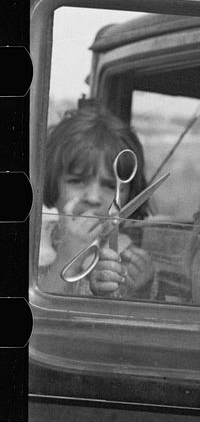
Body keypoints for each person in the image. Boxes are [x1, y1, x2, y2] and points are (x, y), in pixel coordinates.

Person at [39, 104, 155, 296]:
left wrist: (142, 289)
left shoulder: (130, 262)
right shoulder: (32, 245)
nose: (93, 198)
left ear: (129, 196)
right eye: (77, 181)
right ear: (52, 183)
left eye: (110, 185)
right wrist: (69, 257)